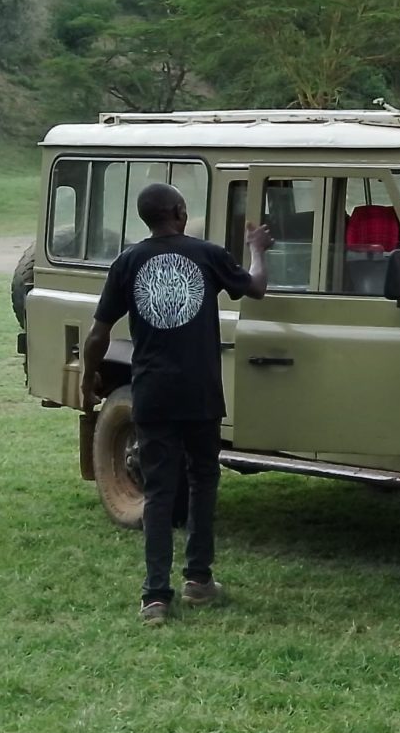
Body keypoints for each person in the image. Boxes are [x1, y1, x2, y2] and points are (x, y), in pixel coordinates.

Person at [82, 182, 273, 624]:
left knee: (160, 493)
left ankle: (154, 598)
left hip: (152, 394)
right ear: (181, 213)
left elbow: (98, 334)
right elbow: (257, 287)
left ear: (146, 219)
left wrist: (89, 376)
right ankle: (199, 581)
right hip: (200, 393)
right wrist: (257, 249)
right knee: (203, 483)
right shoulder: (207, 255)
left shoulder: (127, 262)